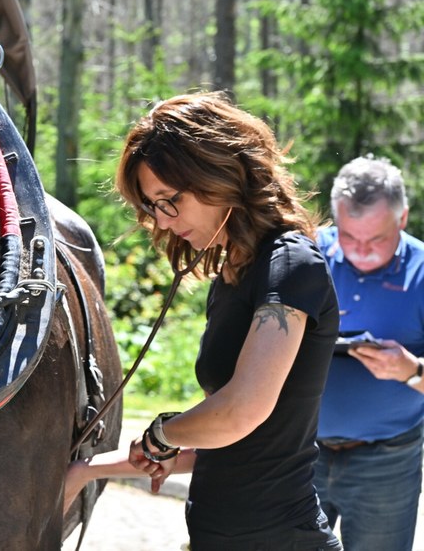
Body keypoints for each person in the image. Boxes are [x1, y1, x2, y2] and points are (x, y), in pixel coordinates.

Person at [66, 92, 342, 550]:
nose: (163, 221)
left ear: (217, 171)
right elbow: (238, 450)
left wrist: (162, 432)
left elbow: (242, 412)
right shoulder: (233, 276)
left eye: (169, 200)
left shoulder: (290, 262)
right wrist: (89, 470)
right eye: (152, 207)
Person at [314, 155, 424, 551]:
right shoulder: (308, 255)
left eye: (376, 240)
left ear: (403, 218)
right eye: (348, 237)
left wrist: (411, 370)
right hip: (298, 452)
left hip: (388, 461)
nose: (360, 252)